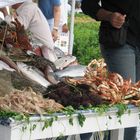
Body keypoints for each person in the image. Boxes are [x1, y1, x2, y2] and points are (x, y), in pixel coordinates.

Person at [81, 0, 140, 140]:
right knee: (124, 103)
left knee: (134, 104)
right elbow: (88, 4)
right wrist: (109, 16)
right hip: (120, 41)